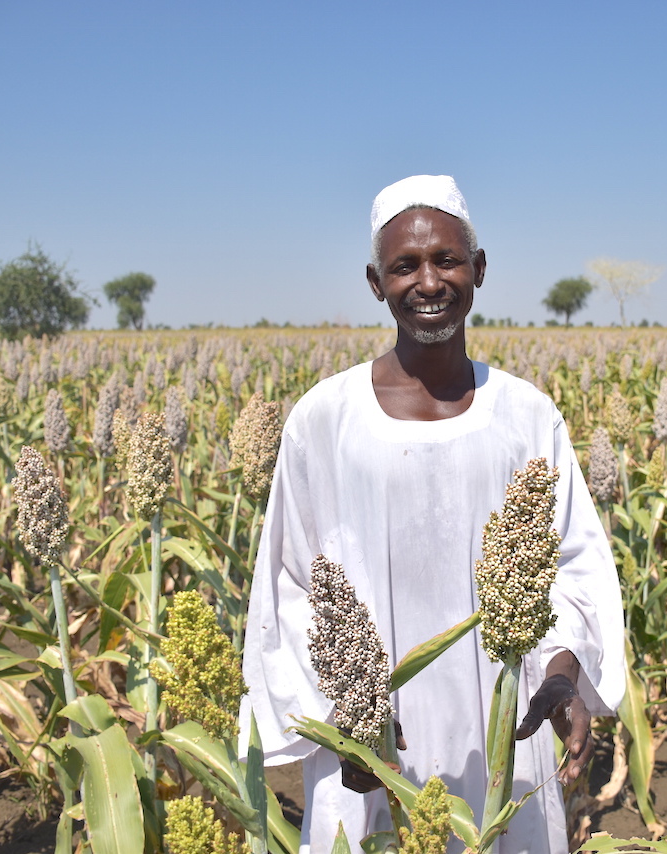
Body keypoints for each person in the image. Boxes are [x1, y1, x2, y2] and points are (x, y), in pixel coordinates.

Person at [240, 175, 625, 854]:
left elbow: (568, 562)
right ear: (374, 281)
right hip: (371, 732)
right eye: (404, 265)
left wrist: (562, 669)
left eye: (447, 260)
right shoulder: (325, 419)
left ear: (478, 269)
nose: (429, 282)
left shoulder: (526, 415)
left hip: (504, 727)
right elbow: (292, 585)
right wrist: (343, 715)